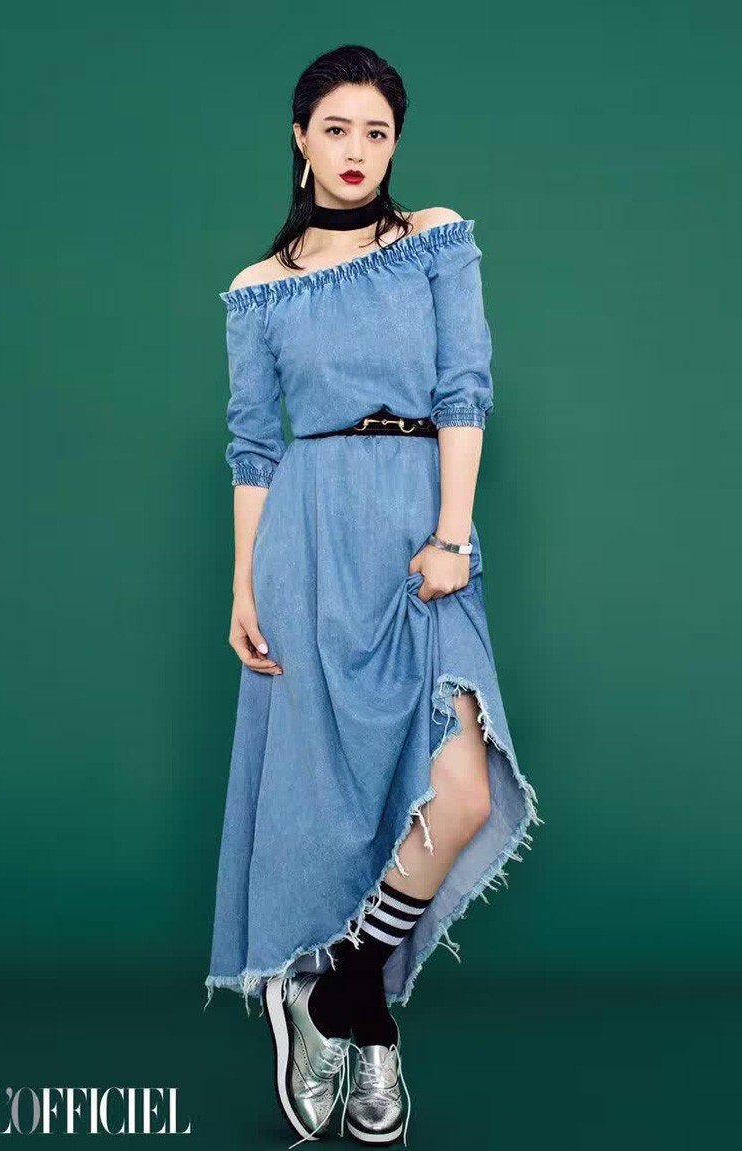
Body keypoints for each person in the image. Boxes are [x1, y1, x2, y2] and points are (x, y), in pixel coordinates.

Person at [203, 44, 543, 1148]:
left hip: (418, 532)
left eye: (377, 132)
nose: (357, 151)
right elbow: (253, 447)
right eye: (336, 128)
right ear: (299, 138)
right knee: (334, 795)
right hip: (308, 543)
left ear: (397, 145)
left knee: (459, 792)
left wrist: (451, 533)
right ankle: (372, 1029)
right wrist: (243, 581)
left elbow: (463, 388)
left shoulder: (433, 238)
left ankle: (335, 993)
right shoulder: (260, 289)